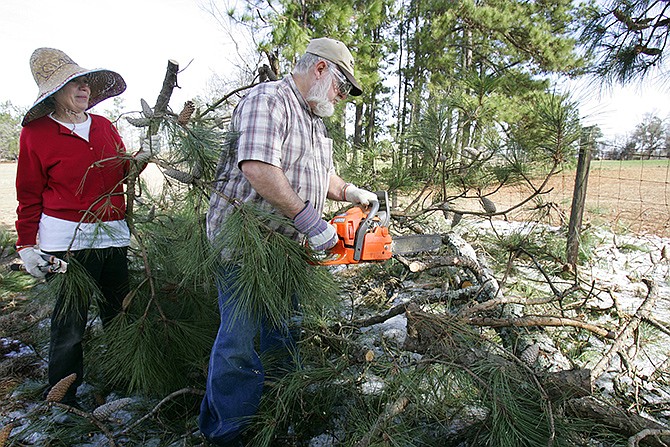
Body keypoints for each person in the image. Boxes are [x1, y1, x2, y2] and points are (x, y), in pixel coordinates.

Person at [200, 37, 378, 446]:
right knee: (239, 341)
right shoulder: (269, 101)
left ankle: (277, 414)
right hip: (245, 246)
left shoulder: (314, 118)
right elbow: (259, 168)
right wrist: (311, 221)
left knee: (284, 331)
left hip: (289, 249)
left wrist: (350, 192)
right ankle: (228, 432)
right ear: (320, 70)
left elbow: (318, 176)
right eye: (341, 85)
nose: (341, 95)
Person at [15, 47, 131, 408]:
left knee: (119, 312)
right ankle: (63, 400)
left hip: (113, 236)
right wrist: (26, 244)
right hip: (64, 242)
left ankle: (125, 380)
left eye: (85, 83)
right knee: (69, 325)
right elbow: (29, 192)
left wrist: (141, 158)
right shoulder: (36, 134)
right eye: (73, 84)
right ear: (53, 93)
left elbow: (122, 173)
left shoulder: (104, 126)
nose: (83, 90)